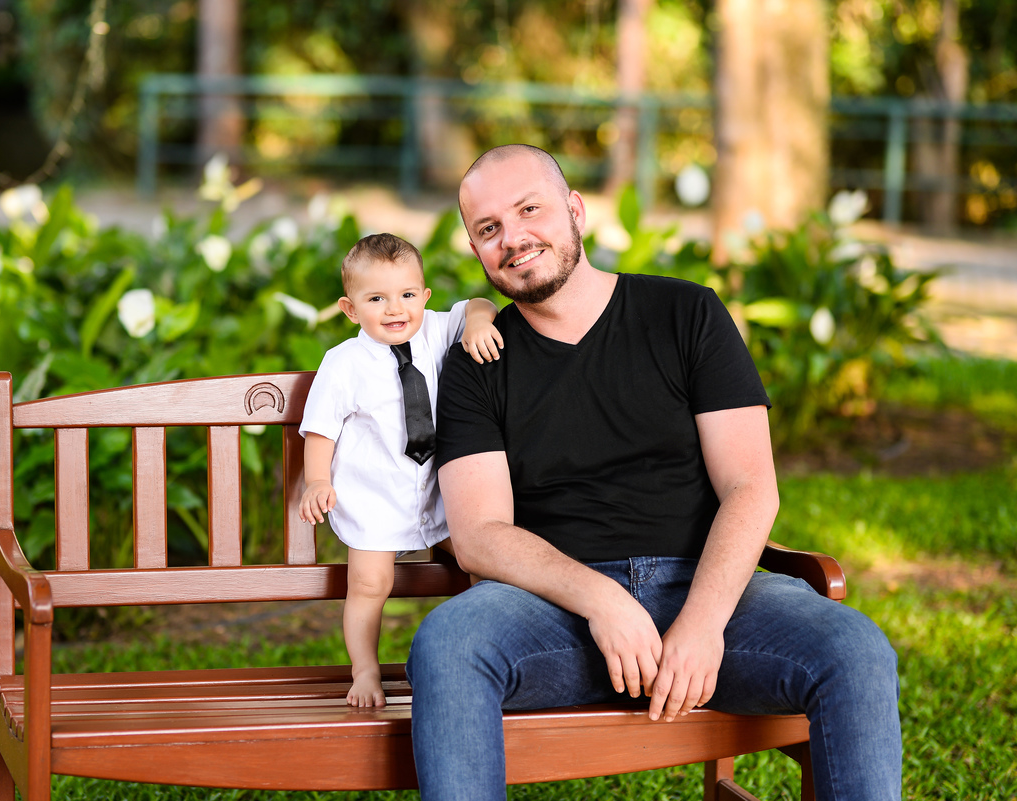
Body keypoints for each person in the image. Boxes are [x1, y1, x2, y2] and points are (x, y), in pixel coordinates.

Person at [405, 145, 902, 800]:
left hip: (714, 595)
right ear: (475, 250)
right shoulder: (478, 363)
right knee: (449, 641)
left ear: (575, 210)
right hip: (556, 614)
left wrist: (701, 624)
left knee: (856, 650)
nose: (514, 238)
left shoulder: (687, 314)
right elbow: (480, 534)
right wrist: (602, 598)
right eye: (489, 228)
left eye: (530, 209)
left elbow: (751, 487)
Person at [299, 232, 503, 708]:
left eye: (407, 295)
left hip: (438, 496)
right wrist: (317, 480)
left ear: (424, 296)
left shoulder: (434, 329)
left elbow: (479, 301)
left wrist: (476, 322)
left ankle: (486, 654)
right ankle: (365, 670)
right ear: (350, 309)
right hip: (376, 500)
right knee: (371, 583)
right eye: (377, 299)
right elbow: (320, 430)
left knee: (484, 558)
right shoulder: (343, 363)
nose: (396, 309)